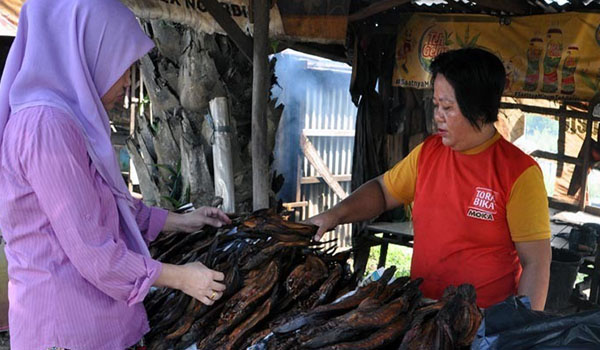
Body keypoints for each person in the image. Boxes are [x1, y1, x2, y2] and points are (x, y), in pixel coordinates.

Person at [0, 0, 232, 349]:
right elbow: (94, 252)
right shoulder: (46, 127)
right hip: (66, 332)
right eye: (122, 65)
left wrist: (184, 221)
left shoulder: (64, 119)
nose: (127, 81)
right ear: (85, 52)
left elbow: (103, 206)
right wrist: (182, 278)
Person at [310, 48, 551, 310]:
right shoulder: (429, 152)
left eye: (447, 107)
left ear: (479, 110)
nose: (437, 115)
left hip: (482, 325)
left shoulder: (519, 172)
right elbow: (382, 190)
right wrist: (335, 215)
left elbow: (536, 263)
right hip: (422, 313)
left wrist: (521, 329)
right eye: (436, 105)